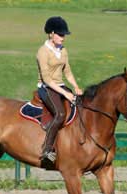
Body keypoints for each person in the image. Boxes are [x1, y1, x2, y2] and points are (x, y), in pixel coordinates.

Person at [36, 16, 83, 166]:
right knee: (60, 113)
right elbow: (47, 79)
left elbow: (67, 72)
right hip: (46, 87)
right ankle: (47, 149)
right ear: (51, 33)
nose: (63, 38)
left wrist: (75, 87)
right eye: (61, 35)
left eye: (64, 35)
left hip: (60, 86)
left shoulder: (63, 51)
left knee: (81, 106)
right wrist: (66, 94)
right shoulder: (42, 52)